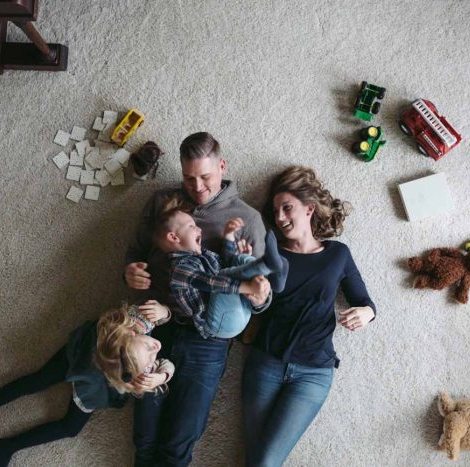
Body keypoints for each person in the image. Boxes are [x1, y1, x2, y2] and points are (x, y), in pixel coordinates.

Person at [124, 132, 272, 466]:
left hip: (207, 340)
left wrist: (260, 297)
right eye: (189, 179)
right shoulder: (163, 202)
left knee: (178, 442)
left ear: (221, 166)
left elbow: (261, 294)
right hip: (154, 326)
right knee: (144, 437)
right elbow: (134, 253)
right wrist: (129, 273)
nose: (198, 187)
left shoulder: (247, 219)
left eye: (205, 177)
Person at [241, 166, 377, 467]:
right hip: (265, 362)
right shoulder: (270, 251)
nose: (279, 217)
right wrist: (257, 298)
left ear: (309, 208)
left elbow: (365, 301)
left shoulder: (337, 254)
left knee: (264, 462)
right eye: (275, 211)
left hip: (314, 373)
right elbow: (253, 300)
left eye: (287, 208)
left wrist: (366, 313)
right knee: (254, 460)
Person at [0, 302, 173, 467]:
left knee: (70, 428)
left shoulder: (140, 348)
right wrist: (163, 314)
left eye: (151, 353)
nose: (156, 347)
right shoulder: (128, 329)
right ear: (128, 335)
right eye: (148, 348)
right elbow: (154, 322)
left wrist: (161, 375)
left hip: (97, 385)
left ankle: (8, 445)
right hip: (81, 357)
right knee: (37, 380)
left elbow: (167, 364)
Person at [156, 205, 288, 339]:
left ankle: (273, 274)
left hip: (242, 309)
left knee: (240, 258)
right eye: (191, 226)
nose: (199, 228)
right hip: (219, 324)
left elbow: (227, 264)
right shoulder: (179, 269)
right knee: (222, 277)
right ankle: (267, 265)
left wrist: (229, 236)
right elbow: (210, 283)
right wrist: (247, 287)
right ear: (174, 237)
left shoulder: (205, 255)